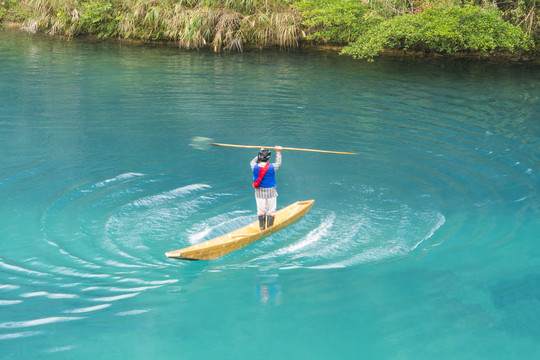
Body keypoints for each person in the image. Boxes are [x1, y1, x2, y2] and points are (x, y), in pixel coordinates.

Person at [250, 146, 282, 230]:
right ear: (268, 159)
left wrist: (260, 152)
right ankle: (269, 228)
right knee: (271, 211)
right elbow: (278, 163)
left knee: (261, 211)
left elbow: (253, 161)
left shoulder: (254, 166)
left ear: (260, 157)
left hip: (259, 192)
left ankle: (262, 228)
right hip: (270, 192)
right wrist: (278, 152)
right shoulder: (272, 167)